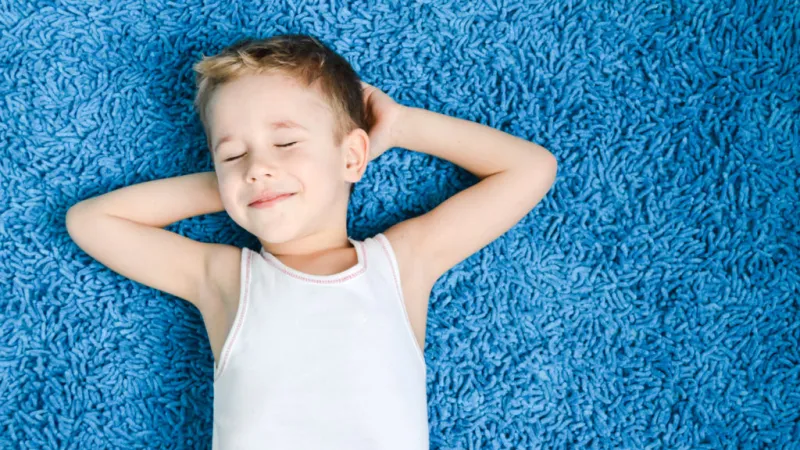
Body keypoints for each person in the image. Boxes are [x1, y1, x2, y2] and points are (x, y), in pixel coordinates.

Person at [65, 33, 557, 450]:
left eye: (285, 144)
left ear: (351, 158)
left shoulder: (401, 263)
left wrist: (402, 126)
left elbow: (531, 168)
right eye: (233, 152)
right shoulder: (224, 280)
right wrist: (236, 185)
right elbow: (92, 221)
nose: (259, 166)